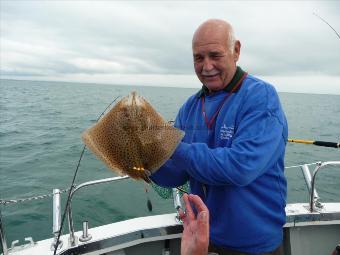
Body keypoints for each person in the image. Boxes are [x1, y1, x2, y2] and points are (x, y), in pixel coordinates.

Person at [151, 18, 288, 255]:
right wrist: (145, 161)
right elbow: (177, 174)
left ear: (235, 51)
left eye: (215, 55)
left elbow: (240, 167)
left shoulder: (261, 97)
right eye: (198, 58)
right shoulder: (189, 107)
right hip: (201, 239)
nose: (206, 66)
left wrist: (169, 142)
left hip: (254, 245)